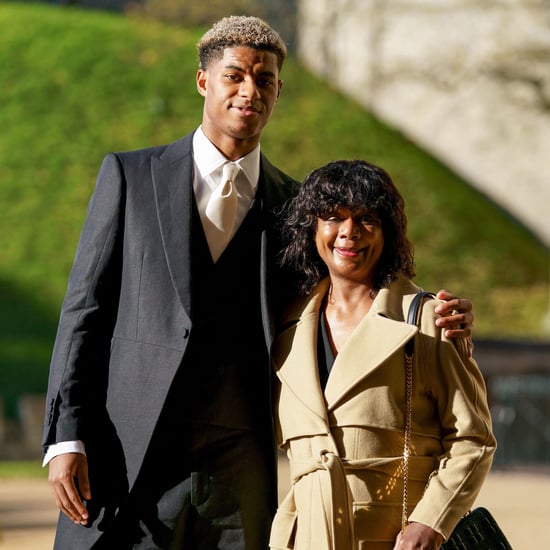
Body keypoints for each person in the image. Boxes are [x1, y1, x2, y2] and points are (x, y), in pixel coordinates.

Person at [42, 16, 475, 550]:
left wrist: (434, 311)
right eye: (234, 76)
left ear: (278, 90)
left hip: (239, 468)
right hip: (131, 453)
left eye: (264, 80)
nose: (250, 91)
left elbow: (354, 279)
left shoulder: (297, 207)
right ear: (204, 81)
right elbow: (84, 312)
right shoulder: (131, 177)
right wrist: (66, 436)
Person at [269, 160, 496, 550]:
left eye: (366, 219)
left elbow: (473, 439)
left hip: (393, 540)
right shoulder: (285, 327)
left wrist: (431, 523)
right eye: (332, 217)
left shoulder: (428, 320)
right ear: (312, 229)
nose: (349, 233)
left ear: (387, 231)